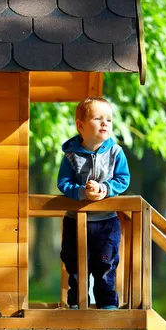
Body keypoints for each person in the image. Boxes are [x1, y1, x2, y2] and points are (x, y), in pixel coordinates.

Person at [56, 97, 130, 310]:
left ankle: (107, 303)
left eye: (108, 119)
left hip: (106, 222)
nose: (105, 123)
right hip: (75, 220)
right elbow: (63, 182)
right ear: (81, 125)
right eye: (98, 118)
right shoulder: (71, 155)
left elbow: (123, 179)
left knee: (105, 263)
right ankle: (78, 302)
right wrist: (81, 192)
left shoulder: (115, 152)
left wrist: (105, 189)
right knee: (75, 264)